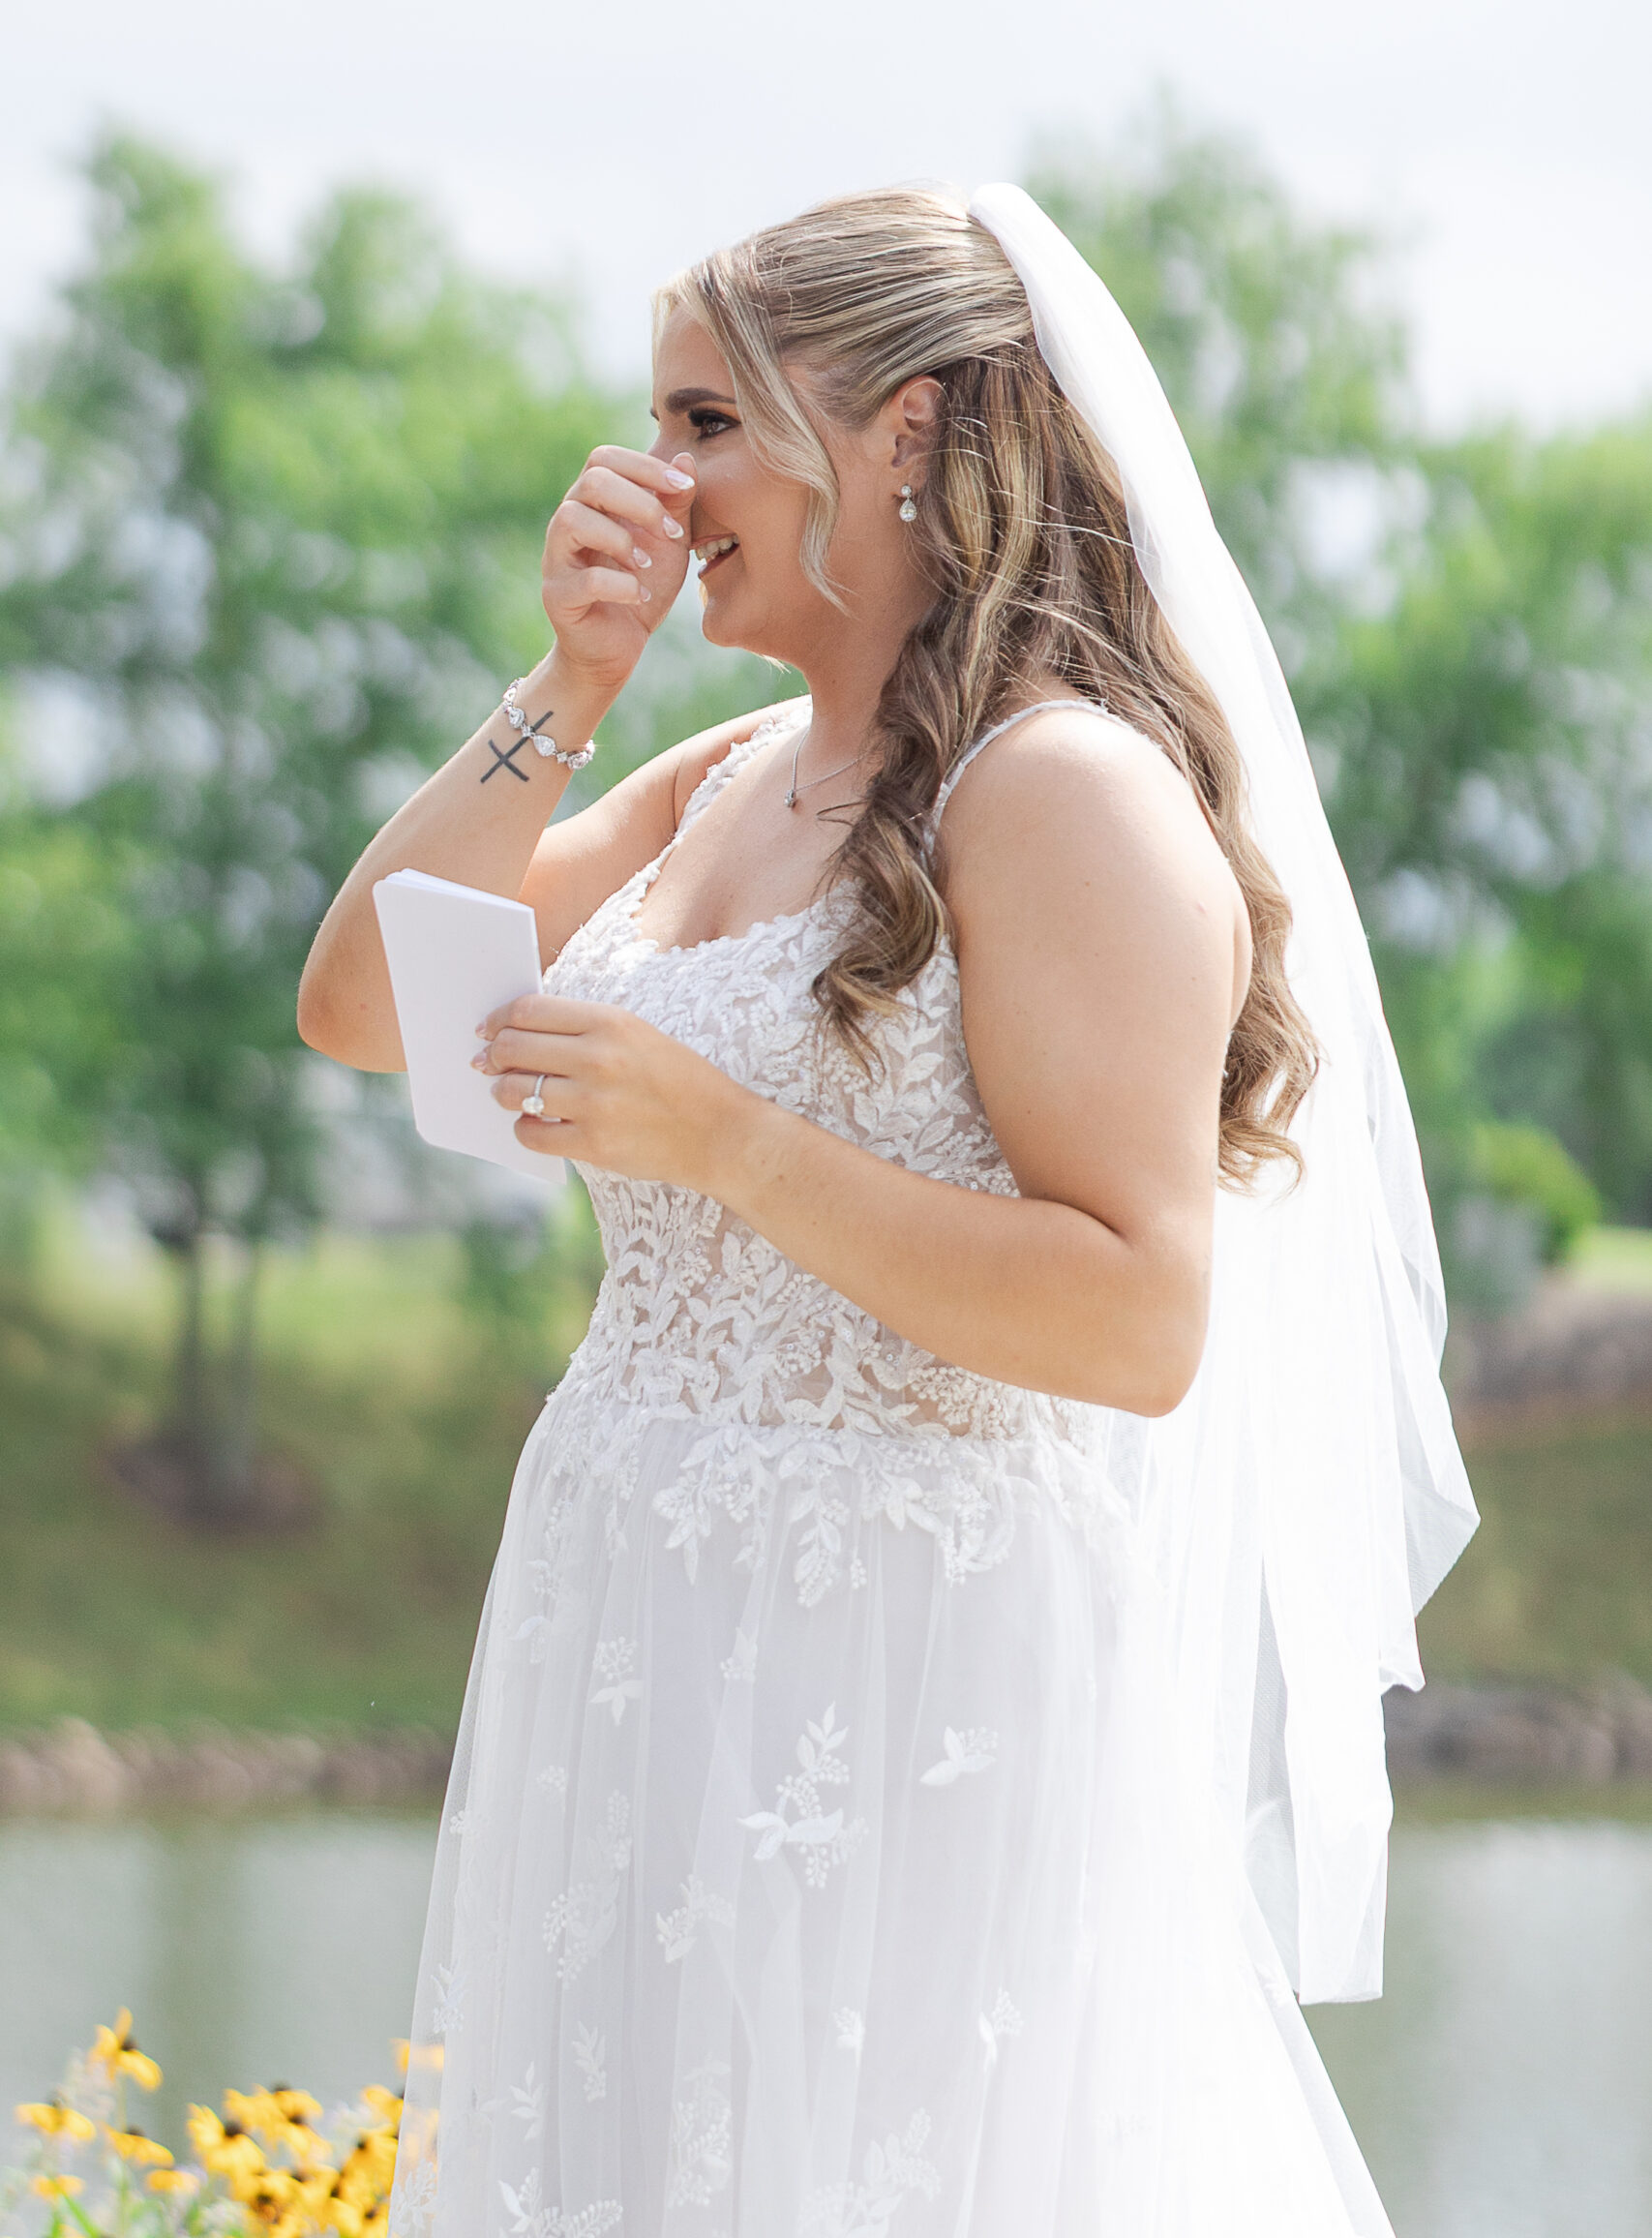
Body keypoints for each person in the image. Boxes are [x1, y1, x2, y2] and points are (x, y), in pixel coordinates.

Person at [299, 184, 1475, 2238]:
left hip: (908, 1660)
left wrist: (731, 1141)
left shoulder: (1060, 791)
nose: (655, 480)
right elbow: (357, 1003)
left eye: (702, 421)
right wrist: (566, 678)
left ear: (906, 429)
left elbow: (1133, 1316)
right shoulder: (723, 768)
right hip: (633, 1613)